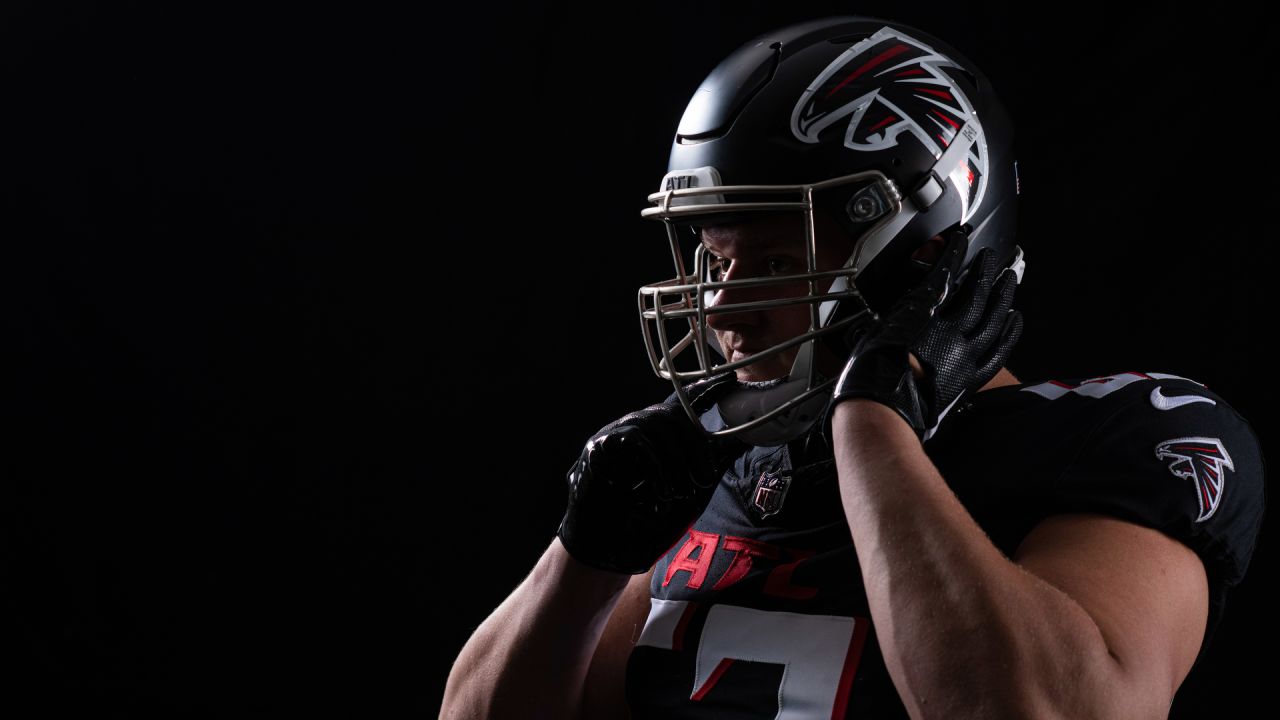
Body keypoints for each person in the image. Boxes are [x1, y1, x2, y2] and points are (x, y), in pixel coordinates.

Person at [440, 15, 1265, 719]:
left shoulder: (1115, 436)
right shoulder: (722, 463)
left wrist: (871, 421)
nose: (723, 311)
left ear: (919, 258)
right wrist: (583, 557)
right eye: (716, 262)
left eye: (769, 262)